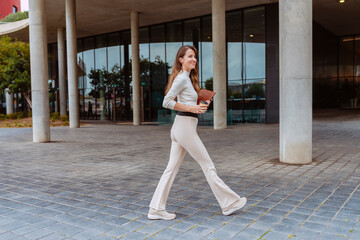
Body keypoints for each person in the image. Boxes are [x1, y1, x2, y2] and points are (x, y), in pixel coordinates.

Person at [148, 45, 246, 220]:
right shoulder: (181, 78)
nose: (194, 59)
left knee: (170, 170)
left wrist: (201, 105)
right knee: (208, 165)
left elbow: (189, 104)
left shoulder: (187, 79)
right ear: (181, 59)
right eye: (190, 56)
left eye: (195, 56)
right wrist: (191, 107)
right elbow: (166, 102)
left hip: (182, 126)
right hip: (184, 127)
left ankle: (156, 209)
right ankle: (229, 203)